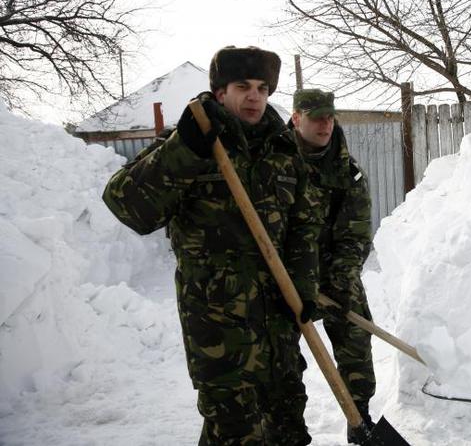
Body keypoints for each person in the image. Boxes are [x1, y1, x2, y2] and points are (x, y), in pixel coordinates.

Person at [102, 46, 322, 446]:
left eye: (262, 88)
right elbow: (127, 206)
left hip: (279, 330)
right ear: (220, 92)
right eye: (243, 86)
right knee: (234, 434)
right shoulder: (192, 144)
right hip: (221, 330)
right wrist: (184, 148)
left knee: (288, 431)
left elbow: (304, 226)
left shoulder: (284, 151)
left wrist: (305, 285)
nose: (254, 96)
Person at [288, 89, 376, 446]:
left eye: (329, 117)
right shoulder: (272, 162)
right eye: (316, 117)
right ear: (296, 118)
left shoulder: (348, 172)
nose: (325, 124)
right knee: (278, 357)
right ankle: (285, 425)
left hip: (331, 273)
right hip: (285, 276)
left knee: (357, 337)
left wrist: (340, 280)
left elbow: (355, 235)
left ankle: (360, 418)